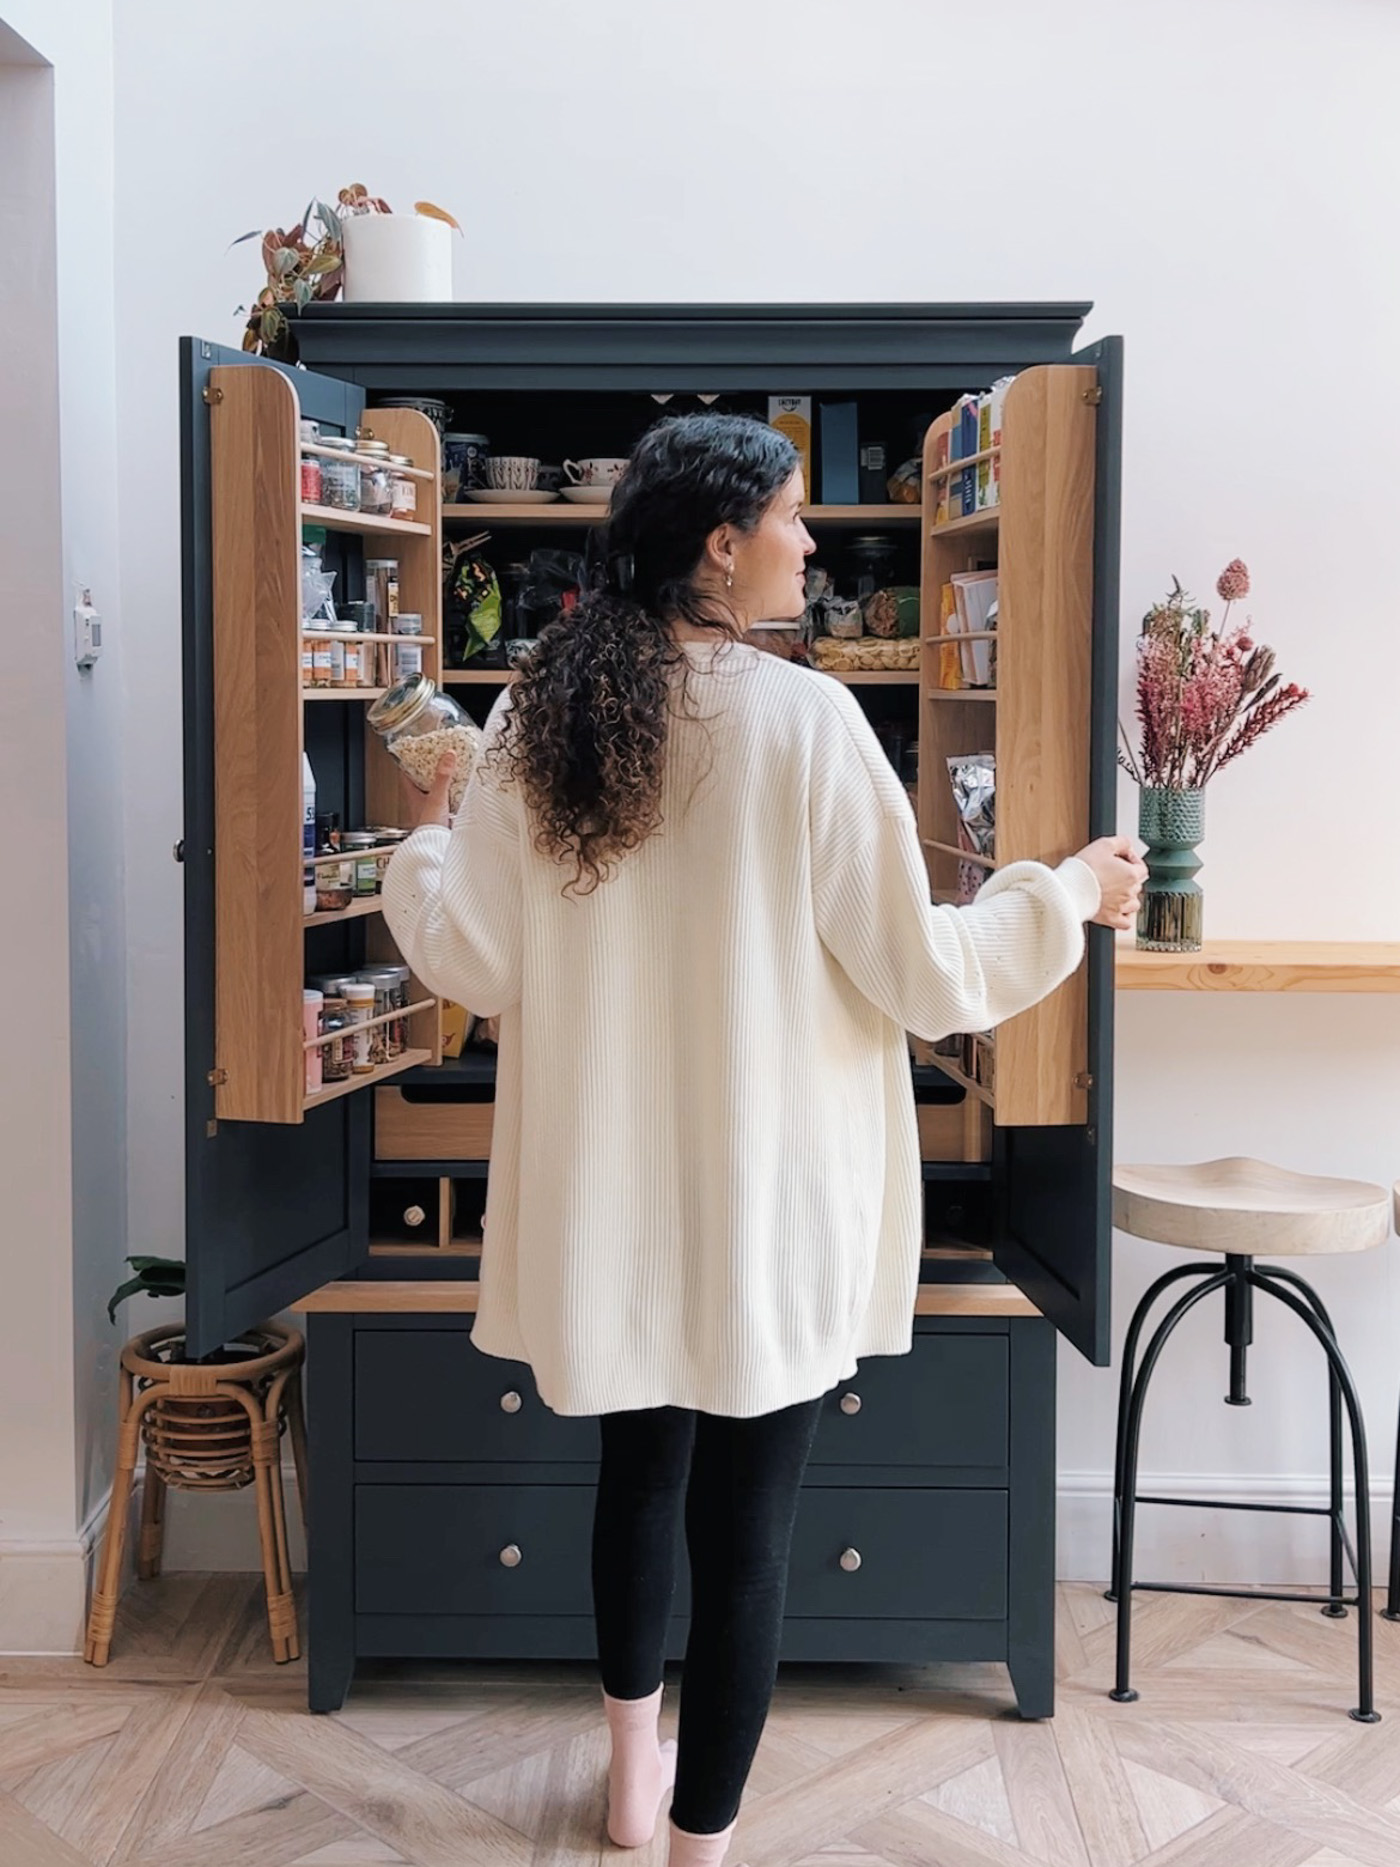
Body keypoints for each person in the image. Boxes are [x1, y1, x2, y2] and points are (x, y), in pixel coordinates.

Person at [382, 413, 1145, 1867]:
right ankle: (698, 1845)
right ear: (722, 543)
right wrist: (1066, 895)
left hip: (612, 1198)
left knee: (639, 1483)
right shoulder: (810, 725)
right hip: (768, 1200)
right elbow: (925, 974)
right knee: (749, 1535)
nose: (815, 540)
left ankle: (627, 1778)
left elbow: (471, 958)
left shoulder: (539, 705)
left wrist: (427, 835)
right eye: (795, 518)